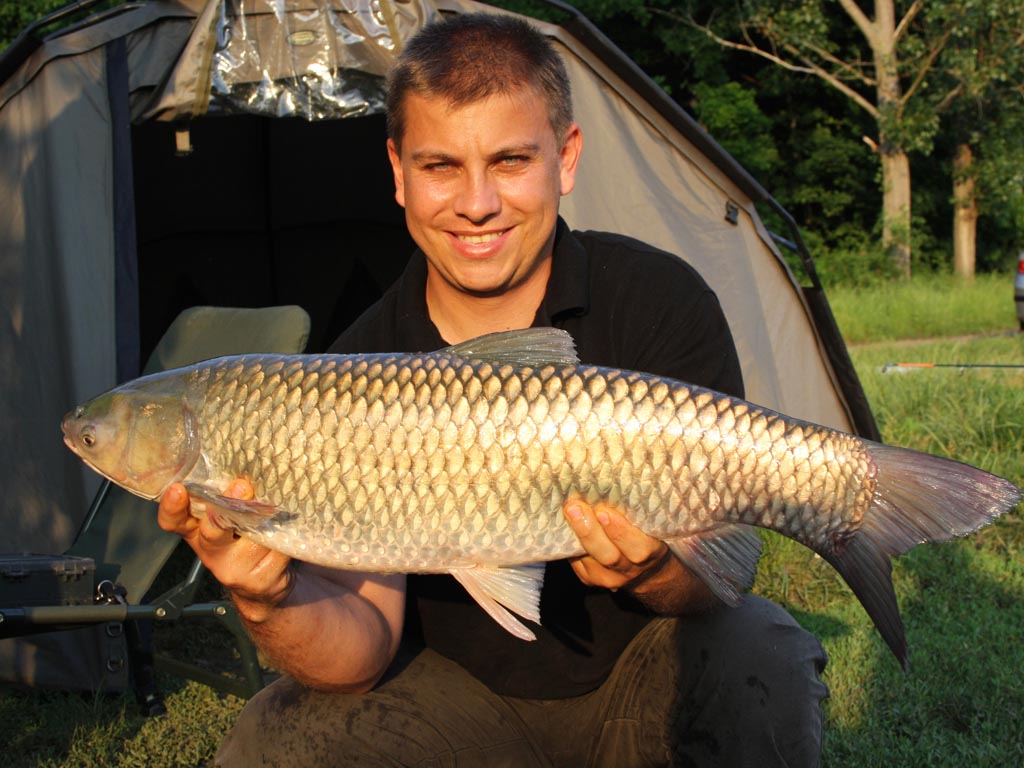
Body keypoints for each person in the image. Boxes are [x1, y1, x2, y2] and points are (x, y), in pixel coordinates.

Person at [158, 13, 828, 767]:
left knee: (761, 654)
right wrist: (265, 598)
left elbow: (719, 578)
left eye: (510, 160)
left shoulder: (659, 299)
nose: (477, 204)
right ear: (398, 172)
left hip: (639, 683)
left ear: (565, 158)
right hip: (453, 711)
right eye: (441, 166)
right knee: (273, 735)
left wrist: (656, 569)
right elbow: (360, 647)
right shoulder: (356, 367)